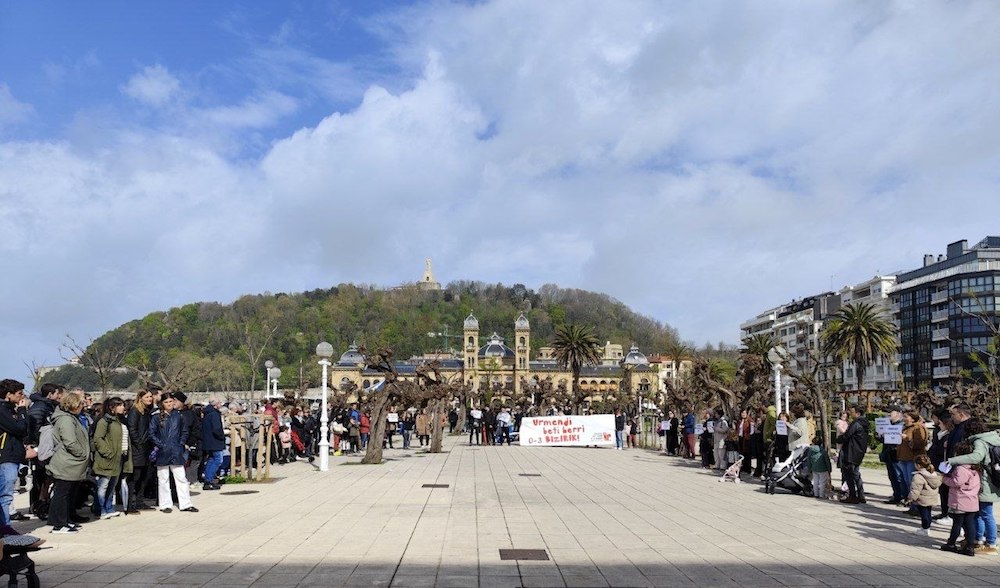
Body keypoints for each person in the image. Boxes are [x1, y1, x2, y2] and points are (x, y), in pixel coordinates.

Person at [945, 419, 999, 554]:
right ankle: (977, 540)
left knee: (986, 513)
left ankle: (991, 543)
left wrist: (952, 460)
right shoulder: (994, 438)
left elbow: (976, 457)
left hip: (986, 482)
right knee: (980, 513)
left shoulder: (980, 441)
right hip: (991, 479)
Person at [47, 391, 90, 533]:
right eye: (81, 404)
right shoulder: (66, 420)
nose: (83, 406)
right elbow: (70, 441)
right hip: (67, 462)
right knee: (62, 493)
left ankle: (66, 520)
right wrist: (82, 454)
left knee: (67, 493)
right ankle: (59, 524)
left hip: (71, 461)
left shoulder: (70, 418)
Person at [149, 394, 197, 513]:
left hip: (176, 450)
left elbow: (185, 431)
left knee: (181, 478)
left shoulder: (179, 416)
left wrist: (181, 443)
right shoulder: (156, 417)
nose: (169, 404)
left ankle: (185, 503)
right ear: (162, 404)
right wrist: (161, 445)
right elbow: (152, 433)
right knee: (163, 479)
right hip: (163, 451)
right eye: (166, 402)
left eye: (171, 401)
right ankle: (165, 504)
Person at [26, 382, 62, 519]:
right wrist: (35, 446)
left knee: (46, 479)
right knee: (41, 479)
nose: (59, 396)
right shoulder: (40, 407)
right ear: (50, 394)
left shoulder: (49, 406)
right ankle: (38, 506)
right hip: (41, 448)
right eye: (57, 394)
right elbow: (33, 428)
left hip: (47, 447)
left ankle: (43, 504)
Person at [91, 397, 131, 519]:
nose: (123, 407)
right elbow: (98, 439)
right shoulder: (104, 421)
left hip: (118, 458)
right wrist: (108, 453)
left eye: (123, 405)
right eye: (119, 405)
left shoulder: (119, 421)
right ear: (112, 407)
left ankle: (108, 508)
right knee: (103, 485)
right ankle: (100, 509)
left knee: (112, 486)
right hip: (107, 459)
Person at [941, 440, 981, 556]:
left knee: (957, 524)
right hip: (972, 501)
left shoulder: (961, 469)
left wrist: (944, 479)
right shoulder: (975, 468)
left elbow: (956, 482)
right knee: (969, 524)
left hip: (960, 501)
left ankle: (951, 543)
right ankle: (969, 546)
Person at [0, 380, 29, 535]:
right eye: (19, 394)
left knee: (7, 495)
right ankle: (5, 528)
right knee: (5, 495)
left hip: (14, 455)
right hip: (6, 457)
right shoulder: (2, 410)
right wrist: (23, 410)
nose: (21, 397)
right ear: (8, 395)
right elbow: (20, 428)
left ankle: (5, 527)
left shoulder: (11, 409)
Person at [837, 404, 869, 504]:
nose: (850, 414)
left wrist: (838, 439)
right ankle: (861, 495)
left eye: (852, 412)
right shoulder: (864, 423)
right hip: (859, 451)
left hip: (851, 451)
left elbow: (847, 435)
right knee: (856, 474)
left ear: (858, 413)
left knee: (849, 474)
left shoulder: (856, 424)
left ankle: (852, 496)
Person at [903, 455, 942, 536]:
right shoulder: (933, 474)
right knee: (928, 513)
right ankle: (927, 527)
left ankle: (925, 529)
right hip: (931, 498)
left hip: (922, 499)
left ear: (918, 465)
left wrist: (910, 499)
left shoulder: (918, 476)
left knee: (924, 515)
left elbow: (915, 490)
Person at [929, 408, 953, 520]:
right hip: (937, 464)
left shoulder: (948, 436)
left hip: (944, 465)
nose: (939, 425)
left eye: (941, 423)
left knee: (946, 491)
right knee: (942, 491)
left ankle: (947, 513)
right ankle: (944, 512)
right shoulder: (939, 434)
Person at [200, 398, 225, 490]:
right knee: (218, 460)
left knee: (211, 459)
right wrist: (222, 436)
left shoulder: (207, 413)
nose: (221, 404)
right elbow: (216, 429)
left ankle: (208, 480)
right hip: (215, 441)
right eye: (219, 403)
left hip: (209, 440)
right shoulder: (214, 414)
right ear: (216, 404)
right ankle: (208, 480)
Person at [807, 435, 832, 499]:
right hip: (823, 469)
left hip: (814, 469)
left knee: (815, 482)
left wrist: (809, 469)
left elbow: (808, 460)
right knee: (822, 482)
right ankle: (821, 495)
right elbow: (827, 461)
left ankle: (816, 494)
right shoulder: (823, 451)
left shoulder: (810, 450)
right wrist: (829, 470)